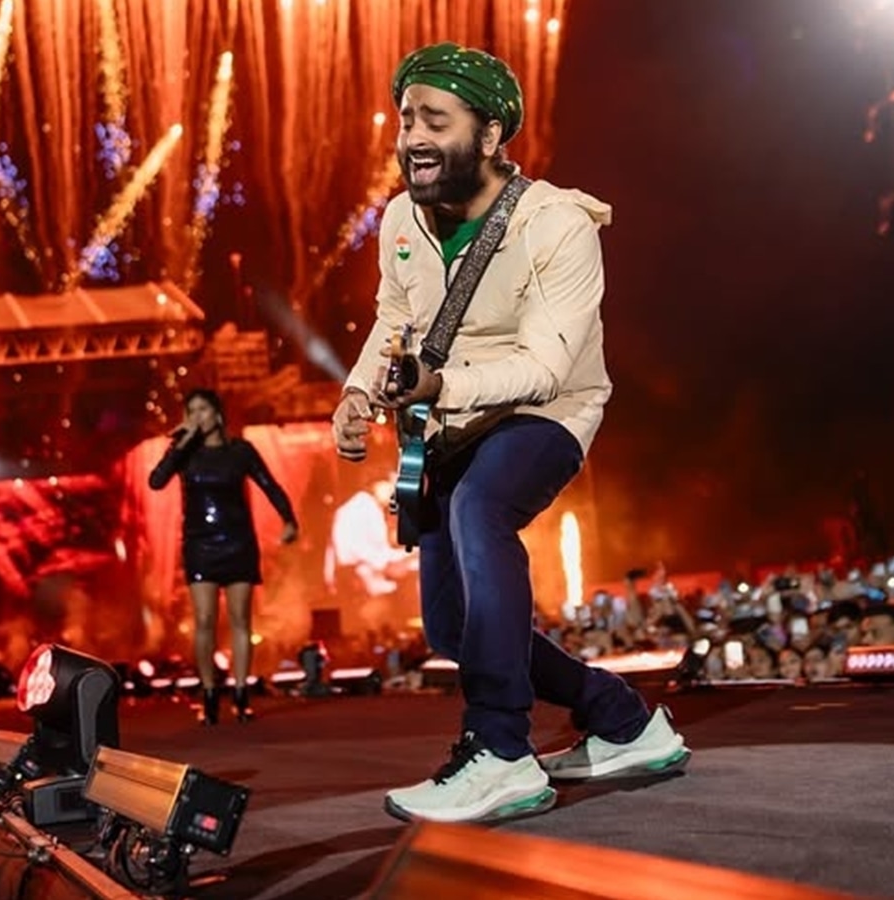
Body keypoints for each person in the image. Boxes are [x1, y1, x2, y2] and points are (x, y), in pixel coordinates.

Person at [332, 42, 690, 824]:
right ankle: (624, 722)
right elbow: (395, 318)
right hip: (451, 422)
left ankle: (500, 751)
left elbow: (548, 367)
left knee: (481, 507)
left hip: (547, 411)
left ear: (491, 135)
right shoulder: (401, 219)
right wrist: (357, 392)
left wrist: (439, 385)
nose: (413, 137)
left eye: (436, 121)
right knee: (451, 625)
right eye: (406, 120)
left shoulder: (556, 224)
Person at [149, 389, 299, 724]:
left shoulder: (240, 451)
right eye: (191, 410)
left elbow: (269, 485)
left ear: (217, 414)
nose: (197, 416)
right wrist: (179, 444)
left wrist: (289, 520)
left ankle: (242, 693)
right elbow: (156, 481)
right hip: (199, 543)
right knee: (204, 619)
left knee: (240, 619)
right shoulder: (185, 452)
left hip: (237, 541)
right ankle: (209, 692)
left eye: (203, 409)